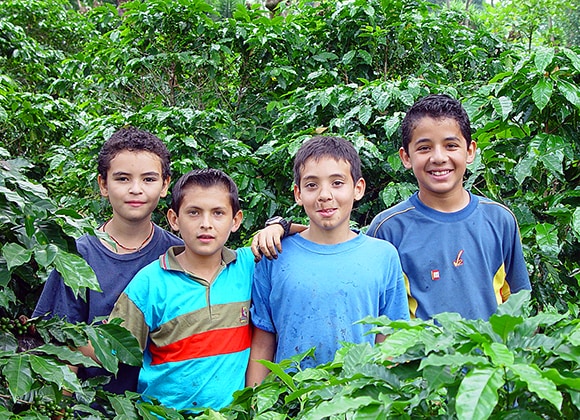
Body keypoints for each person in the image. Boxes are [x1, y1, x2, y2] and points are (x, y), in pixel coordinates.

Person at [246, 136, 409, 387]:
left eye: (337, 183)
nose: (325, 195)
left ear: (358, 188)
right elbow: (263, 342)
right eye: (312, 185)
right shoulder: (273, 254)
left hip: (359, 403)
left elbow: (388, 341)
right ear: (298, 193)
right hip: (291, 402)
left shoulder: (383, 256)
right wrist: (255, 405)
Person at [32, 126, 183, 393]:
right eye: (123, 179)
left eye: (148, 179)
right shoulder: (77, 256)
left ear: (165, 185)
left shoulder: (180, 253)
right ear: (103, 184)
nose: (136, 189)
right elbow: (60, 353)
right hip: (93, 407)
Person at [367, 94, 531, 320]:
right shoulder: (388, 229)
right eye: (424, 148)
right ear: (406, 157)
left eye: (451, 145)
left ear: (470, 151)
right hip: (419, 355)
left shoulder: (500, 220)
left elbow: (519, 302)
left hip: (492, 353)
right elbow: (375, 311)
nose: (438, 157)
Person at [106, 168, 255, 411]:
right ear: (174, 219)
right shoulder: (150, 283)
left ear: (236, 220)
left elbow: (308, 235)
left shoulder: (247, 266)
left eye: (218, 213)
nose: (206, 224)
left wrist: (279, 226)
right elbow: (113, 346)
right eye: (194, 213)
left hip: (230, 415)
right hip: (164, 414)